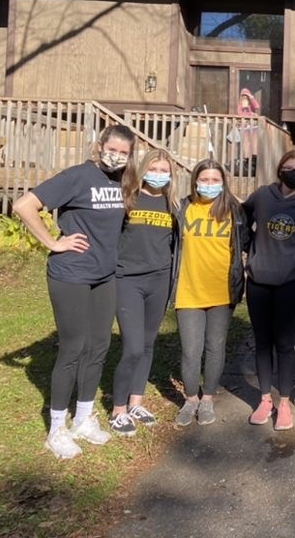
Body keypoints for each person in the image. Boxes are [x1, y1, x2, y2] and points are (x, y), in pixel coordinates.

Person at [13, 124, 137, 459]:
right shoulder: (77, 176)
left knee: (99, 346)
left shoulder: (120, 182)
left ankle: (83, 418)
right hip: (71, 274)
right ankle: (56, 429)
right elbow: (24, 205)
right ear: (99, 146)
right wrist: (53, 242)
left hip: (104, 275)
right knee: (73, 348)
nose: (117, 156)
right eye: (112, 149)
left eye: (124, 153)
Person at [242, 150, 295, 430]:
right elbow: (242, 218)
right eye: (290, 167)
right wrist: (249, 247)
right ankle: (265, 399)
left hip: (291, 282)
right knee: (263, 343)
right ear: (280, 169)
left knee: (286, 344)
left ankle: (285, 403)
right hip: (259, 280)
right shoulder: (263, 195)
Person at [173, 159, 249, 428]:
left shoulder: (234, 210)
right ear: (195, 181)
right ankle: (190, 398)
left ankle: (207, 398)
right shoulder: (183, 208)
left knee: (215, 347)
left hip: (222, 291)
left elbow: (246, 243)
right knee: (190, 350)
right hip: (188, 290)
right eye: (204, 179)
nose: (209, 184)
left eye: (215, 180)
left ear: (223, 182)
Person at [108, 149, 178, 436]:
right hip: (128, 280)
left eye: (164, 171)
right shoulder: (128, 199)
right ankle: (118, 410)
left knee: (148, 344)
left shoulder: (173, 205)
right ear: (143, 170)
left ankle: (136, 402)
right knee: (133, 347)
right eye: (154, 169)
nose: (158, 175)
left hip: (159, 281)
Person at [237, 88, 261, 176]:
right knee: (246, 141)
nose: (244, 99)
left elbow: (257, 107)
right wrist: (244, 109)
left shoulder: (251, 104)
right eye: (243, 97)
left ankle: (254, 157)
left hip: (253, 126)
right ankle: (247, 159)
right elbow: (239, 113)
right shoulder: (240, 104)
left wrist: (251, 97)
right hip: (245, 126)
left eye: (246, 97)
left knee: (254, 139)